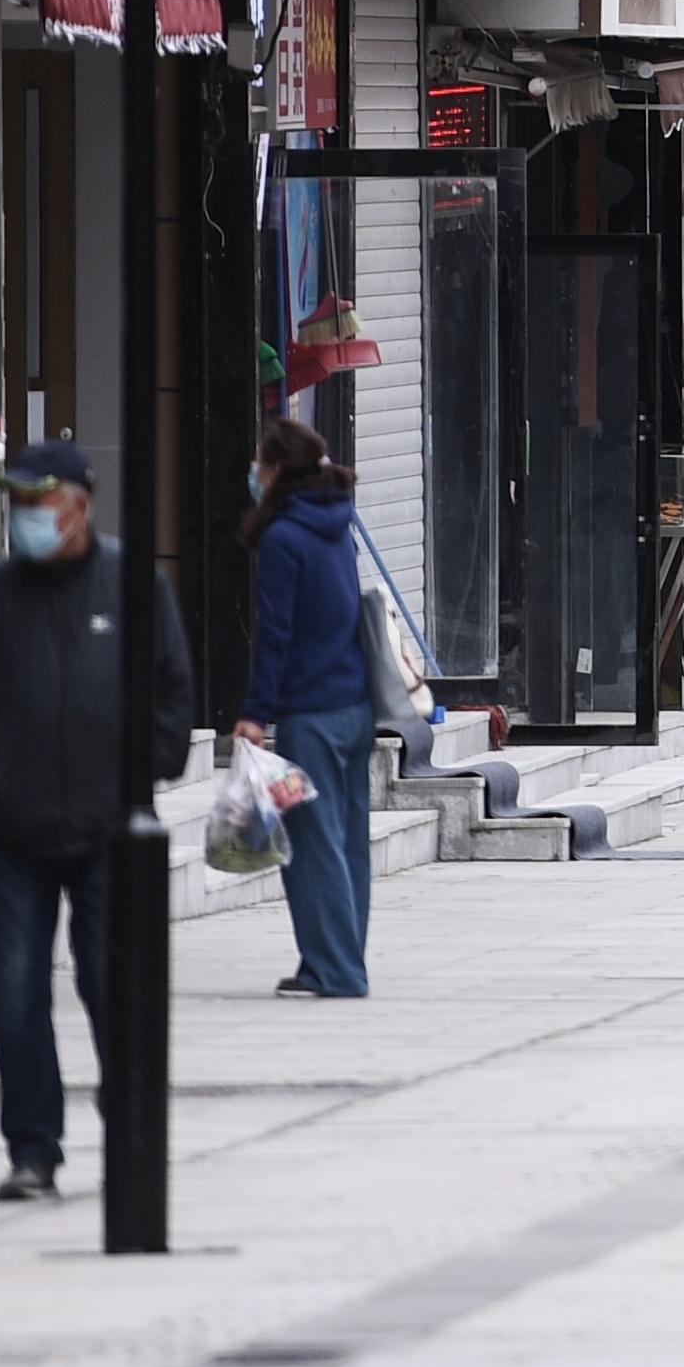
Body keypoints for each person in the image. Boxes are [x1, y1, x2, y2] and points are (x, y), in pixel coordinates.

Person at [0, 442, 192, 1201]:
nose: (26, 517)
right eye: (14, 503)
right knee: (16, 989)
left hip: (109, 828)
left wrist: (145, 768)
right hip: (15, 832)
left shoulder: (134, 584)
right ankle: (33, 1146)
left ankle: (129, 1109)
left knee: (112, 982)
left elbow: (173, 692)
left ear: (79, 503)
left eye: (37, 500)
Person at [230, 418, 378, 1000]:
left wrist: (255, 713)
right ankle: (336, 961)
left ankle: (336, 970)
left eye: (257, 464)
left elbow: (276, 635)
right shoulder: (336, 525)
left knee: (312, 847)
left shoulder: (284, 538)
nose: (252, 475)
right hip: (355, 708)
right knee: (347, 842)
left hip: (309, 719)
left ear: (274, 472)